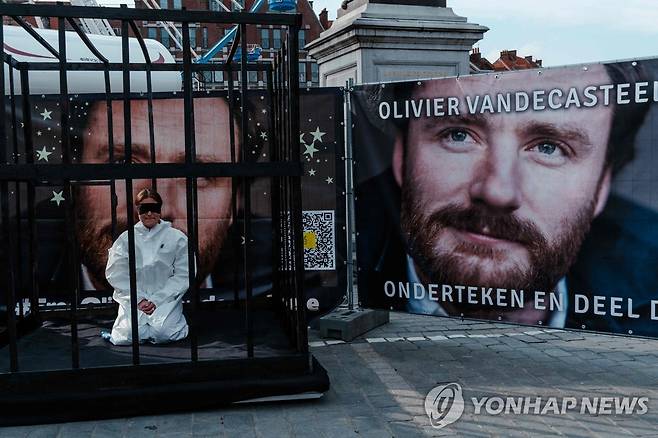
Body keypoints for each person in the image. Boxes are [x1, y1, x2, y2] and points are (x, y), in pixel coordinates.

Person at [357, 61, 655, 331]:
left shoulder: (648, 284)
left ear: (603, 185)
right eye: (458, 135)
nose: (497, 191)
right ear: (401, 156)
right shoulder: (335, 273)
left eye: (549, 148)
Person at [104, 188, 189, 345]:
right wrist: (139, 299)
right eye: (144, 209)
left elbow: (184, 274)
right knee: (129, 335)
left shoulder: (177, 238)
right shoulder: (126, 239)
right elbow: (116, 273)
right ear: (137, 211)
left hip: (166, 299)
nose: (149, 213)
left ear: (160, 210)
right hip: (134, 298)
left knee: (164, 333)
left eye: (154, 208)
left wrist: (158, 299)